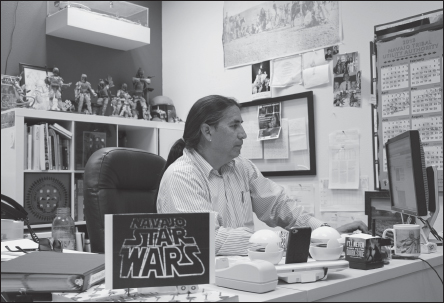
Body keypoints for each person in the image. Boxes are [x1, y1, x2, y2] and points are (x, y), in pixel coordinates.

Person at [157, 95, 368, 256]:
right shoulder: (181, 177)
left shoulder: (240, 167)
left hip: (245, 273)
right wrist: (282, 242)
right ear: (207, 131)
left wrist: (324, 233)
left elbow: (278, 206)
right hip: (206, 284)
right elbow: (211, 239)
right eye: (234, 125)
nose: (243, 133)